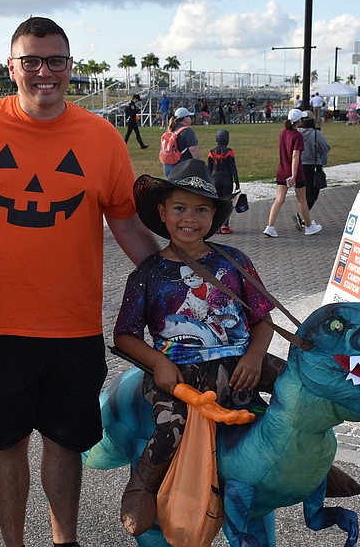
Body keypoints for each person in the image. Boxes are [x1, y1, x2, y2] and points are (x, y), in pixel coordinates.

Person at [0, 16, 160, 547]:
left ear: (71, 68)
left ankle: (65, 541)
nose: (44, 72)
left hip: (72, 322)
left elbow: (125, 220)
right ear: (10, 68)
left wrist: (174, 279)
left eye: (55, 61)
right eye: (31, 62)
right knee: (7, 443)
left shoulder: (99, 136)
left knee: (65, 442)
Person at [113, 158, 275, 537]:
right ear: (163, 213)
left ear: (213, 215)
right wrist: (157, 363)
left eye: (201, 209)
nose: (190, 218)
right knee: (170, 427)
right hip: (179, 372)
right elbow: (125, 334)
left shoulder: (235, 261)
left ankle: (316, 472)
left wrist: (254, 356)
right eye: (180, 208)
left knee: (296, 386)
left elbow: (263, 319)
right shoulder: (147, 274)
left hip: (239, 364)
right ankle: (143, 486)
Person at [263, 109, 322, 237]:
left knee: (279, 199)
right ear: (299, 121)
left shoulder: (283, 133)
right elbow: (295, 156)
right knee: (302, 200)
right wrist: (294, 176)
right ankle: (309, 226)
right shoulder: (297, 136)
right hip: (296, 172)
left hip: (282, 170)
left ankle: (270, 226)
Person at [298, 113, 331, 228]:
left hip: (299, 165)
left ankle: (303, 218)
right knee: (313, 193)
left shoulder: (297, 133)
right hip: (313, 165)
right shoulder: (316, 134)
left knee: (303, 194)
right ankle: (301, 216)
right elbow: (326, 148)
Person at [206, 129, 240, 234]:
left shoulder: (211, 152)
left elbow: (209, 169)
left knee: (216, 203)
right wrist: (237, 182)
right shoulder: (229, 151)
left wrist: (208, 182)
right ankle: (225, 226)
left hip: (215, 178)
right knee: (226, 203)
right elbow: (233, 168)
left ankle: (216, 227)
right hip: (227, 179)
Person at [163, 107, 199, 177]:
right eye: (189, 117)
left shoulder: (171, 130)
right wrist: (198, 164)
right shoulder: (187, 131)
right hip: (182, 166)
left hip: (167, 166)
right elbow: (193, 149)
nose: (191, 119)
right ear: (185, 119)